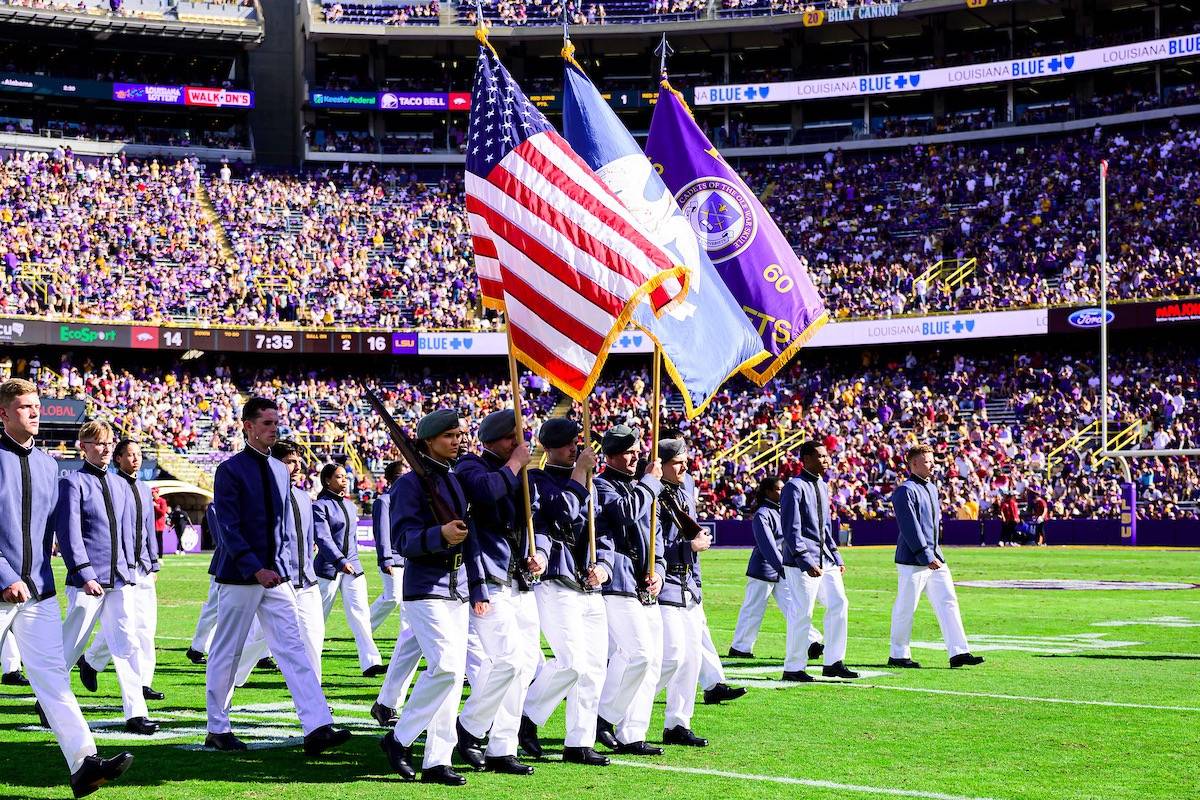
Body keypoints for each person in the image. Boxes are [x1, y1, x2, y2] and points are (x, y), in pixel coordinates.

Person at [0, 379, 133, 798]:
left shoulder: (47, 464)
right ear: (4, 414)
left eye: (36, 405)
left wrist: (80, 567)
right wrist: (5, 577)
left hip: (39, 590)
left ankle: (84, 764)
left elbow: (62, 530)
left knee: (55, 678)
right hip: (4, 589)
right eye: (25, 407)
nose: (35, 412)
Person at [204, 397, 350, 755]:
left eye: (275, 422)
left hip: (277, 576)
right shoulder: (230, 470)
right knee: (228, 651)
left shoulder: (280, 470)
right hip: (241, 576)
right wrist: (255, 566)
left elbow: (285, 528)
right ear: (248, 426)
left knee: (294, 647)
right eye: (267, 423)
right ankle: (217, 728)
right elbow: (228, 527)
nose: (274, 428)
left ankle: (317, 726)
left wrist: (282, 568)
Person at [380, 409, 474, 786]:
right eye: (449, 435)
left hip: (458, 589)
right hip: (425, 590)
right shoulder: (408, 486)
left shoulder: (452, 479)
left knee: (450, 678)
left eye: (459, 434)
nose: (457, 440)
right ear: (429, 441)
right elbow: (403, 540)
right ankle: (399, 739)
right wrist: (440, 536)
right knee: (448, 667)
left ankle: (438, 760)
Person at [519, 418, 611, 766]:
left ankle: (580, 742)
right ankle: (526, 716)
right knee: (571, 662)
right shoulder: (536, 479)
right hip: (555, 580)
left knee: (593, 669)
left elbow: (601, 536)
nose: (577, 448)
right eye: (571, 443)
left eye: (578, 442)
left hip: (588, 584)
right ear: (552, 447)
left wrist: (603, 564)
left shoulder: (588, 482)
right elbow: (560, 514)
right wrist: (579, 478)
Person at [453, 408, 540, 775]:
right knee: (508, 661)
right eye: (510, 439)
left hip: (517, 578)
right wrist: (515, 464)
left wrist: (535, 555)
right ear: (491, 441)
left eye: (519, 438)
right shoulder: (472, 466)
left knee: (527, 665)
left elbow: (529, 522)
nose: (517, 444)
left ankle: (503, 747)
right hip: (487, 576)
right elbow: (484, 493)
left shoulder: (520, 475)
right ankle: (469, 727)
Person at [58, 421, 159, 735]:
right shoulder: (72, 483)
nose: (103, 448)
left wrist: (131, 569)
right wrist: (84, 573)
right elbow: (69, 533)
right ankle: (49, 700)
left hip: (119, 579)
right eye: (97, 443)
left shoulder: (120, 485)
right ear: (83, 446)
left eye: (107, 442)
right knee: (72, 645)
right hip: (88, 581)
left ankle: (136, 713)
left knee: (126, 642)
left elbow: (130, 533)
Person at [594, 424, 665, 756]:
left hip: (645, 584)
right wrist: (651, 483)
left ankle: (632, 734)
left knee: (652, 664)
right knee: (638, 653)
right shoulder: (601, 485)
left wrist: (660, 572)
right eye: (628, 451)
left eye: (637, 450)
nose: (636, 456)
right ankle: (604, 716)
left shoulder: (644, 488)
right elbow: (623, 514)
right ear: (610, 456)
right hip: (617, 582)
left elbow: (657, 539)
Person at [233, 439, 324, 685]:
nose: (296, 467)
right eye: (289, 462)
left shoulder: (304, 497)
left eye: (298, 462)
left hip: (308, 581)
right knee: (258, 638)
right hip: (280, 581)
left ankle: (315, 695)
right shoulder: (265, 497)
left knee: (314, 637)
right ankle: (234, 676)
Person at [80, 439, 164, 702]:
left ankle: (141, 680)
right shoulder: (114, 486)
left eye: (138, 454)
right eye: (129, 454)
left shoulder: (143, 487)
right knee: (126, 626)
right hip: (122, 567)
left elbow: (148, 528)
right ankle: (93, 661)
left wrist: (153, 560)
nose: (135, 459)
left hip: (143, 567)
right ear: (118, 459)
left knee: (146, 626)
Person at [888, 444, 985, 670]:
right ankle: (898, 654)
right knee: (906, 606)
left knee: (948, 601)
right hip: (913, 559)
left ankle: (959, 652)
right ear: (913, 464)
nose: (933, 464)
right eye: (927, 461)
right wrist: (925, 554)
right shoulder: (905, 490)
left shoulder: (931, 487)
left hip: (934, 556)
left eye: (932, 460)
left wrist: (933, 553)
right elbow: (910, 527)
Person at [654, 438, 718, 747]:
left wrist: (699, 585)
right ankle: (620, 711)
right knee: (671, 657)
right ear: (661, 464)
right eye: (678, 462)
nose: (685, 466)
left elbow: (692, 542)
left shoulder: (684, 491)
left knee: (691, 660)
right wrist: (687, 547)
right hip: (665, 586)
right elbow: (651, 548)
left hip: (688, 588)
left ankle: (678, 723)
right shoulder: (652, 494)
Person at [780, 441, 857, 681]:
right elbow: (791, 530)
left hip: (825, 558)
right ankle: (793, 667)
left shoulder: (823, 486)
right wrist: (805, 560)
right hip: (803, 562)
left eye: (826, 456)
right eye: (821, 456)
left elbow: (825, 527)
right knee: (802, 612)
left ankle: (833, 662)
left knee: (839, 603)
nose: (827, 460)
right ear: (807, 459)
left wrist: (836, 555)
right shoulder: (794, 487)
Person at [729, 477, 824, 664]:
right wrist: (782, 568)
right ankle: (740, 647)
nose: (782, 492)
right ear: (768, 492)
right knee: (753, 609)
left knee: (793, 606)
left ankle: (811, 641)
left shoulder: (780, 512)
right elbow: (767, 545)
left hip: (781, 568)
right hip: (764, 569)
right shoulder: (762, 514)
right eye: (778, 489)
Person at [314, 463, 385, 678]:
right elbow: (323, 538)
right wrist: (339, 561)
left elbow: (351, 540)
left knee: (361, 615)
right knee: (315, 620)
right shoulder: (319, 506)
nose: (344, 480)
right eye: (339, 476)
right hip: (328, 568)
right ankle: (296, 659)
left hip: (353, 568)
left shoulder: (350, 505)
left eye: (345, 476)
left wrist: (350, 562)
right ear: (327, 480)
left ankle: (371, 662)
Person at [368, 461, 405, 632]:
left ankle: (407, 637)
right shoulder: (384, 501)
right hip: (394, 559)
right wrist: (386, 559)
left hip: (410, 559)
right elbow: (381, 532)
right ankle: (365, 626)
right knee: (393, 597)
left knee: (408, 604)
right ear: (390, 479)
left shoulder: (408, 500)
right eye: (401, 475)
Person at [185, 504, 221, 666]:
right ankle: (197, 647)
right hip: (225, 565)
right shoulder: (215, 507)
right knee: (213, 609)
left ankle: (262, 654)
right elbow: (222, 538)